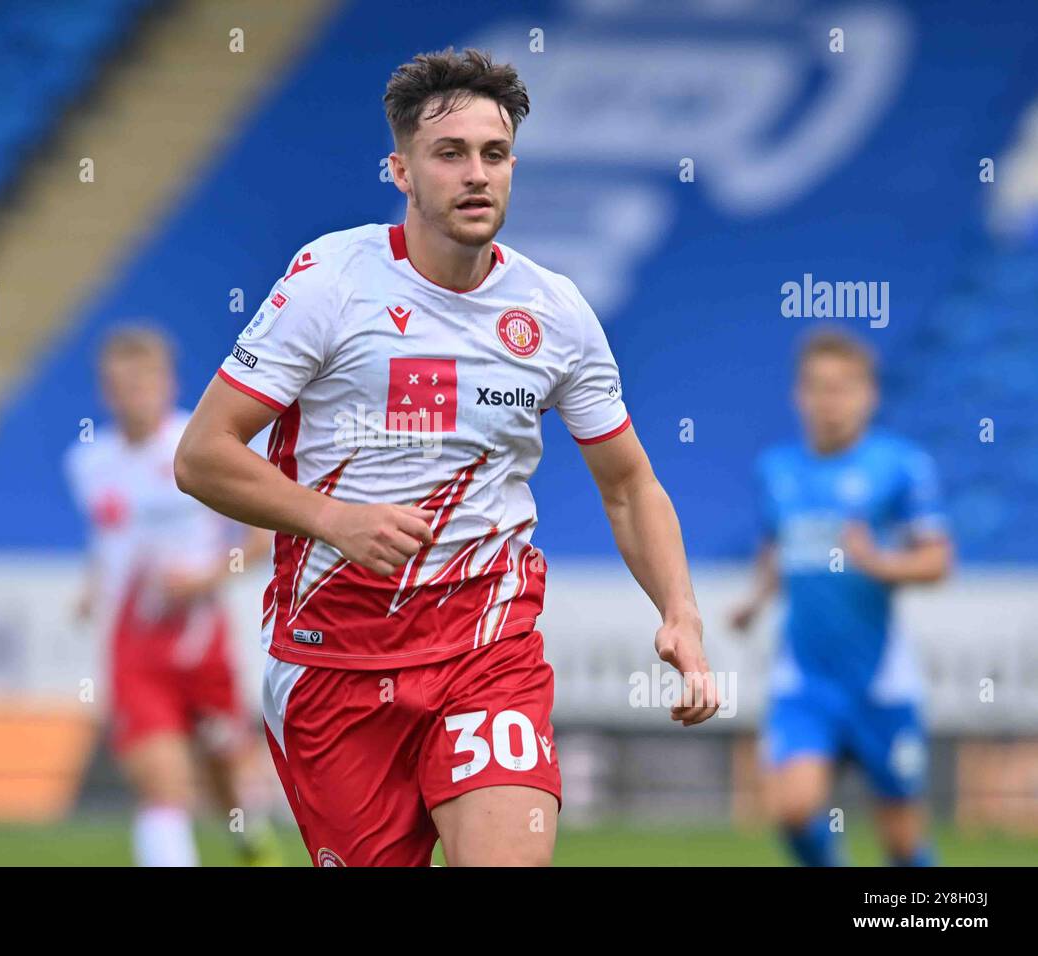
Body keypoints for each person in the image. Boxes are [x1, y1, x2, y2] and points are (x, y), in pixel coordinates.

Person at [175, 48, 718, 867]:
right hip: (334, 664)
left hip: (487, 650)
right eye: (450, 153)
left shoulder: (555, 312)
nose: (477, 175)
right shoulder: (331, 284)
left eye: (494, 155)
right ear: (400, 169)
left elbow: (629, 484)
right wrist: (333, 520)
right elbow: (202, 455)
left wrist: (679, 612)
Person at [729, 329, 953, 866]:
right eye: (818, 388)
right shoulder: (777, 469)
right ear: (798, 396)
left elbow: (938, 560)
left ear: (869, 395)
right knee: (794, 808)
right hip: (805, 676)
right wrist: (757, 599)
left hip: (880, 680)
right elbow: (778, 545)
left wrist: (878, 562)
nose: (830, 401)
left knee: (901, 841)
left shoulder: (900, 466)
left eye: (844, 388)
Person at [64, 325, 278, 866]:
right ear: (104, 390)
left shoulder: (200, 447)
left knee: (225, 772)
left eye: (141, 382)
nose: (130, 395)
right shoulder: (89, 464)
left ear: (168, 382)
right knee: (162, 785)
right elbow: (108, 541)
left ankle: (250, 841)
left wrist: (206, 579)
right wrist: (92, 589)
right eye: (118, 385)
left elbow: (258, 542)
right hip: (133, 646)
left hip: (201, 641)